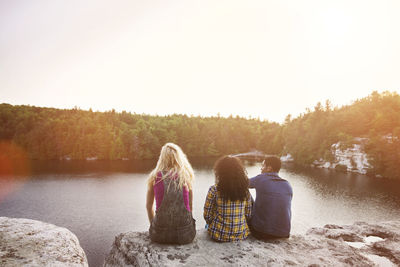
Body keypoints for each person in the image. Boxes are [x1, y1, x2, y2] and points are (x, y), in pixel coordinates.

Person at [146, 143, 196, 244]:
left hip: (159, 235)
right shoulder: (185, 176)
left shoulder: (155, 176)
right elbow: (189, 206)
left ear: (162, 158)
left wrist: (153, 225)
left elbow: (148, 206)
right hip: (185, 236)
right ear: (179, 157)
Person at [203, 156, 253, 242]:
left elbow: (207, 216)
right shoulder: (245, 190)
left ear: (220, 172)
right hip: (241, 234)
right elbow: (248, 214)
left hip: (219, 235)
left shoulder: (214, 189)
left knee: (207, 226)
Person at [249, 156, 293, 239]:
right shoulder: (287, 184)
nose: (261, 169)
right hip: (284, 233)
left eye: (262, 166)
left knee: (245, 191)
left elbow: (241, 183)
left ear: (269, 168)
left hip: (261, 232)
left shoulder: (261, 178)